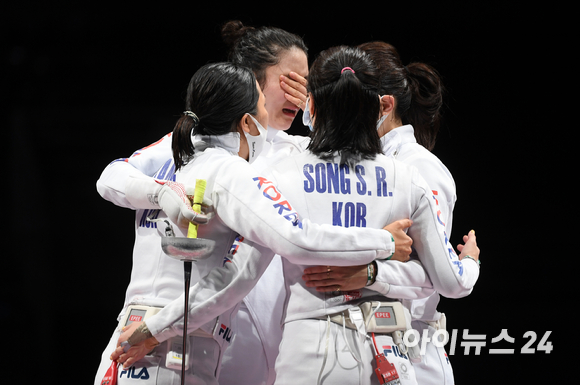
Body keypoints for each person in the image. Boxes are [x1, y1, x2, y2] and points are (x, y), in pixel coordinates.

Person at [95, 61, 414, 385]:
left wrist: (160, 190)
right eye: (263, 106)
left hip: (126, 346)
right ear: (247, 122)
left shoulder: (178, 154)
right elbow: (297, 238)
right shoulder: (232, 173)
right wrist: (383, 241)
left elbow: (108, 180)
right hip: (170, 350)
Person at [94, 20, 310, 385]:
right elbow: (112, 176)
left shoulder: (302, 153)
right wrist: (161, 191)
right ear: (253, 80)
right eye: (290, 81)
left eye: (307, 84)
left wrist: (318, 121)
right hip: (189, 322)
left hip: (260, 328)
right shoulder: (192, 143)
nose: (298, 93)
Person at [260, 45, 479, 385]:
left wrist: (371, 271)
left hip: (332, 351)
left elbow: (273, 249)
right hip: (388, 352)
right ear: (373, 106)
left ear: (312, 106)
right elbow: (452, 280)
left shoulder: (283, 169)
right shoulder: (406, 178)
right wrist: (470, 262)